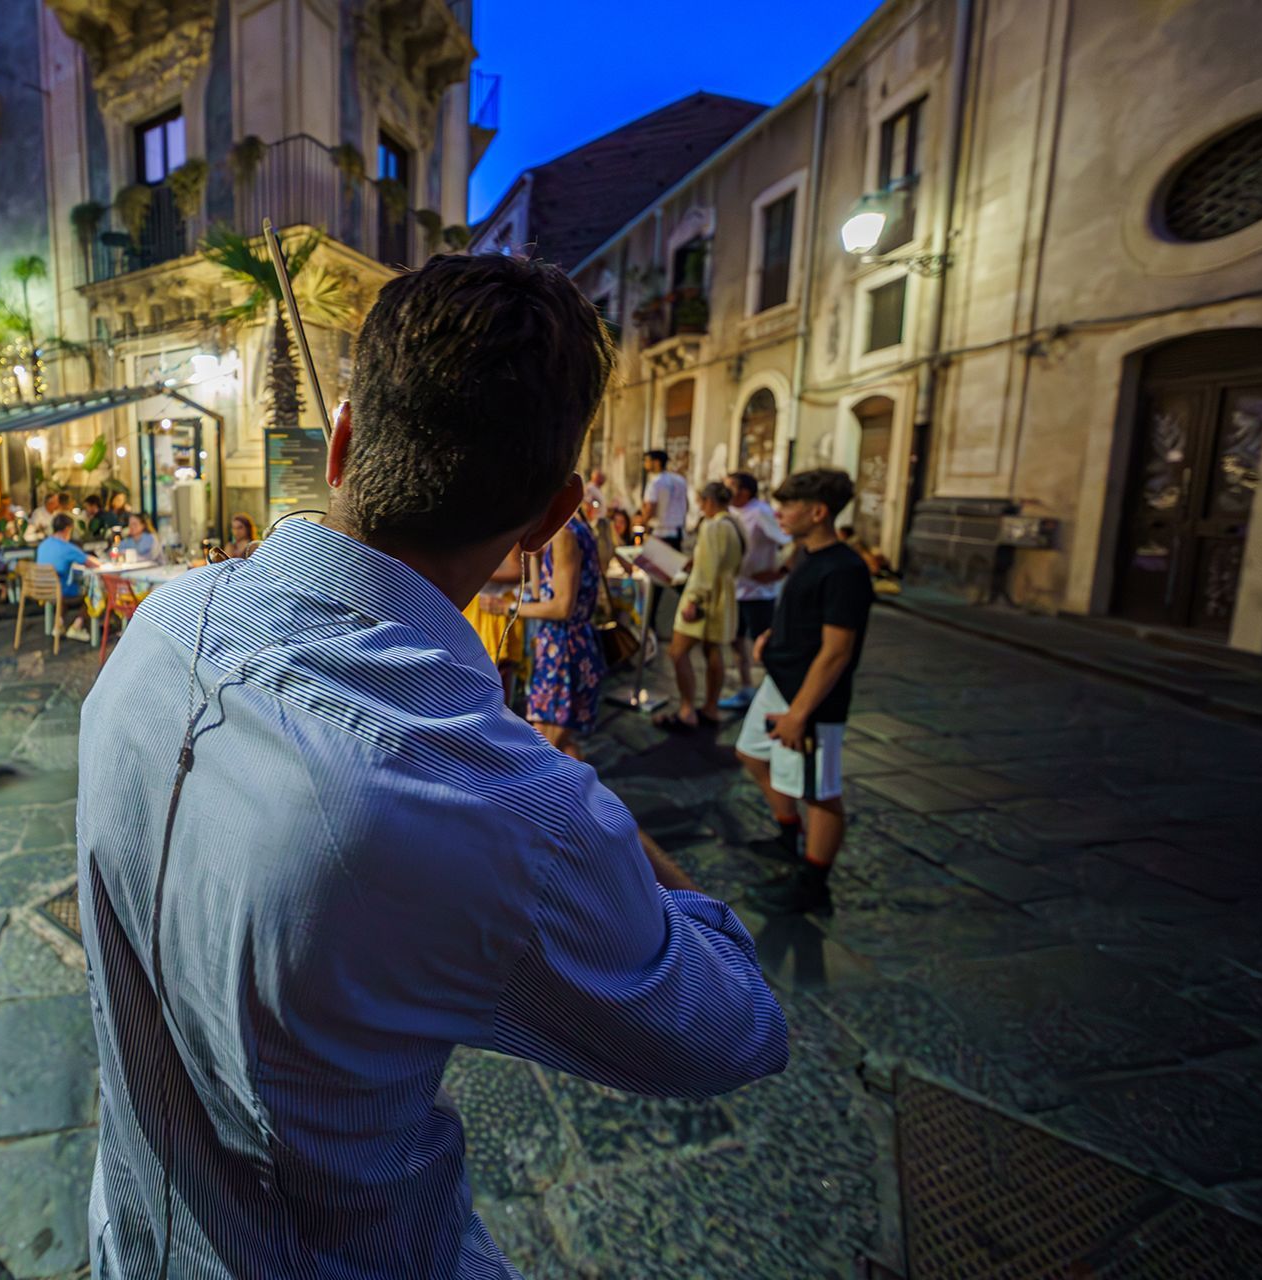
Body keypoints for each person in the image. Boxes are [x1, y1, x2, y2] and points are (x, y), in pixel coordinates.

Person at [78, 253, 786, 1277]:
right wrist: (601, 820)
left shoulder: (159, 622)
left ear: (343, 439)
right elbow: (735, 1024)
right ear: (550, 515)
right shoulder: (508, 810)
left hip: (134, 1235)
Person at [735, 468, 875, 916]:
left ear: (818, 512)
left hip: (811, 699)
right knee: (752, 754)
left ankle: (815, 883)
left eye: (789, 505)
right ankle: (787, 835)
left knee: (819, 790)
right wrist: (773, 637)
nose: (780, 512)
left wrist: (800, 713)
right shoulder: (805, 555)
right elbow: (806, 616)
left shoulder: (845, 569)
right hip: (782, 682)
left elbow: (836, 651)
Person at [491, 508, 605, 759]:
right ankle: (579, 796)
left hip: (564, 651)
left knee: (547, 751)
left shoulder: (565, 535)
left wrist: (509, 608)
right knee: (558, 746)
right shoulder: (569, 533)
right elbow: (544, 595)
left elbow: (562, 607)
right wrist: (534, 555)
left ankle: (575, 797)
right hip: (558, 649)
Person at [655, 482, 743, 731]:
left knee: (678, 651)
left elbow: (706, 569)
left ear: (709, 501)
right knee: (712, 651)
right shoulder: (734, 524)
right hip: (724, 593)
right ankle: (711, 708)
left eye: (701, 502)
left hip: (706, 595)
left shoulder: (713, 526)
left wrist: (694, 599)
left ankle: (686, 710)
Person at [719, 471, 790, 711]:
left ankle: (780, 694)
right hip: (735, 589)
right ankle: (747, 688)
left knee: (765, 644)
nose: (724, 491)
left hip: (759, 593)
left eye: (730, 487)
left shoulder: (761, 512)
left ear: (744, 491)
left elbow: (788, 541)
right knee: (735, 640)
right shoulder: (729, 512)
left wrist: (778, 573)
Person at [636, 448, 689, 640]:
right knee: (667, 578)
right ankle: (651, 625)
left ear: (656, 463)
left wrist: (640, 523)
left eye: (647, 461)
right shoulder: (679, 480)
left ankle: (695, 606)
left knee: (659, 579)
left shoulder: (656, 483)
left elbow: (650, 508)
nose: (645, 465)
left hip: (661, 533)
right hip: (676, 532)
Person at [34, 512, 98, 640]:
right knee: (93, 592)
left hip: (42, 589)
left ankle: (58, 625)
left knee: (63, 587)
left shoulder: (43, 545)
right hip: (60, 591)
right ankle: (77, 626)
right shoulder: (67, 548)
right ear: (68, 529)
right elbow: (92, 564)